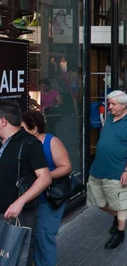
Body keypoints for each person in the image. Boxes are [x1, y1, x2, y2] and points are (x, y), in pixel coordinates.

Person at [87, 90, 127, 249]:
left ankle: (120, 233)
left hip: (117, 169)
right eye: (109, 103)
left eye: (112, 104)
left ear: (123, 105)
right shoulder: (110, 117)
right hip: (98, 168)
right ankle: (117, 217)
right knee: (98, 201)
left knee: (121, 202)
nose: (109, 107)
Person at [0, 100, 52, 266]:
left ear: (2, 121)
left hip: (17, 213)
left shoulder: (29, 143)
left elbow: (45, 178)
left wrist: (19, 202)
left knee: (18, 257)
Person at [22, 110, 72, 266]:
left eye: (22, 127)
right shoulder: (23, 143)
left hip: (48, 199)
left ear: (34, 128)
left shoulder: (51, 142)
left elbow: (66, 166)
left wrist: (44, 177)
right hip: (30, 199)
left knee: (44, 237)